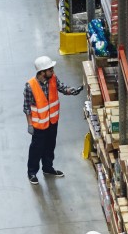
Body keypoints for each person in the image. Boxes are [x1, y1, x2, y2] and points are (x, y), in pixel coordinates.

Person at [23, 56, 83, 186]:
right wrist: (29, 124)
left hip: (52, 122)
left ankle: (48, 168)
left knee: (50, 147)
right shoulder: (30, 86)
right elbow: (27, 108)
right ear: (42, 72)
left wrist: (72, 91)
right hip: (39, 125)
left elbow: (62, 88)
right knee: (36, 149)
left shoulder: (53, 79)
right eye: (50, 69)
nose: (53, 71)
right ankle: (32, 172)